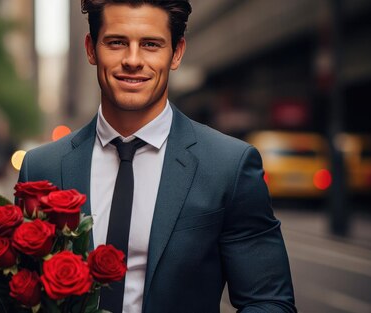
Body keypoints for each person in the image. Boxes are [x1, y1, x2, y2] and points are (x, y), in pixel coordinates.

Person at [18, 0, 296, 312]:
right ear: (91, 49)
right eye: (117, 42)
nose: (133, 60)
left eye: (151, 44)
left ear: (176, 53)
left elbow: (269, 302)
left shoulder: (229, 166)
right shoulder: (41, 168)